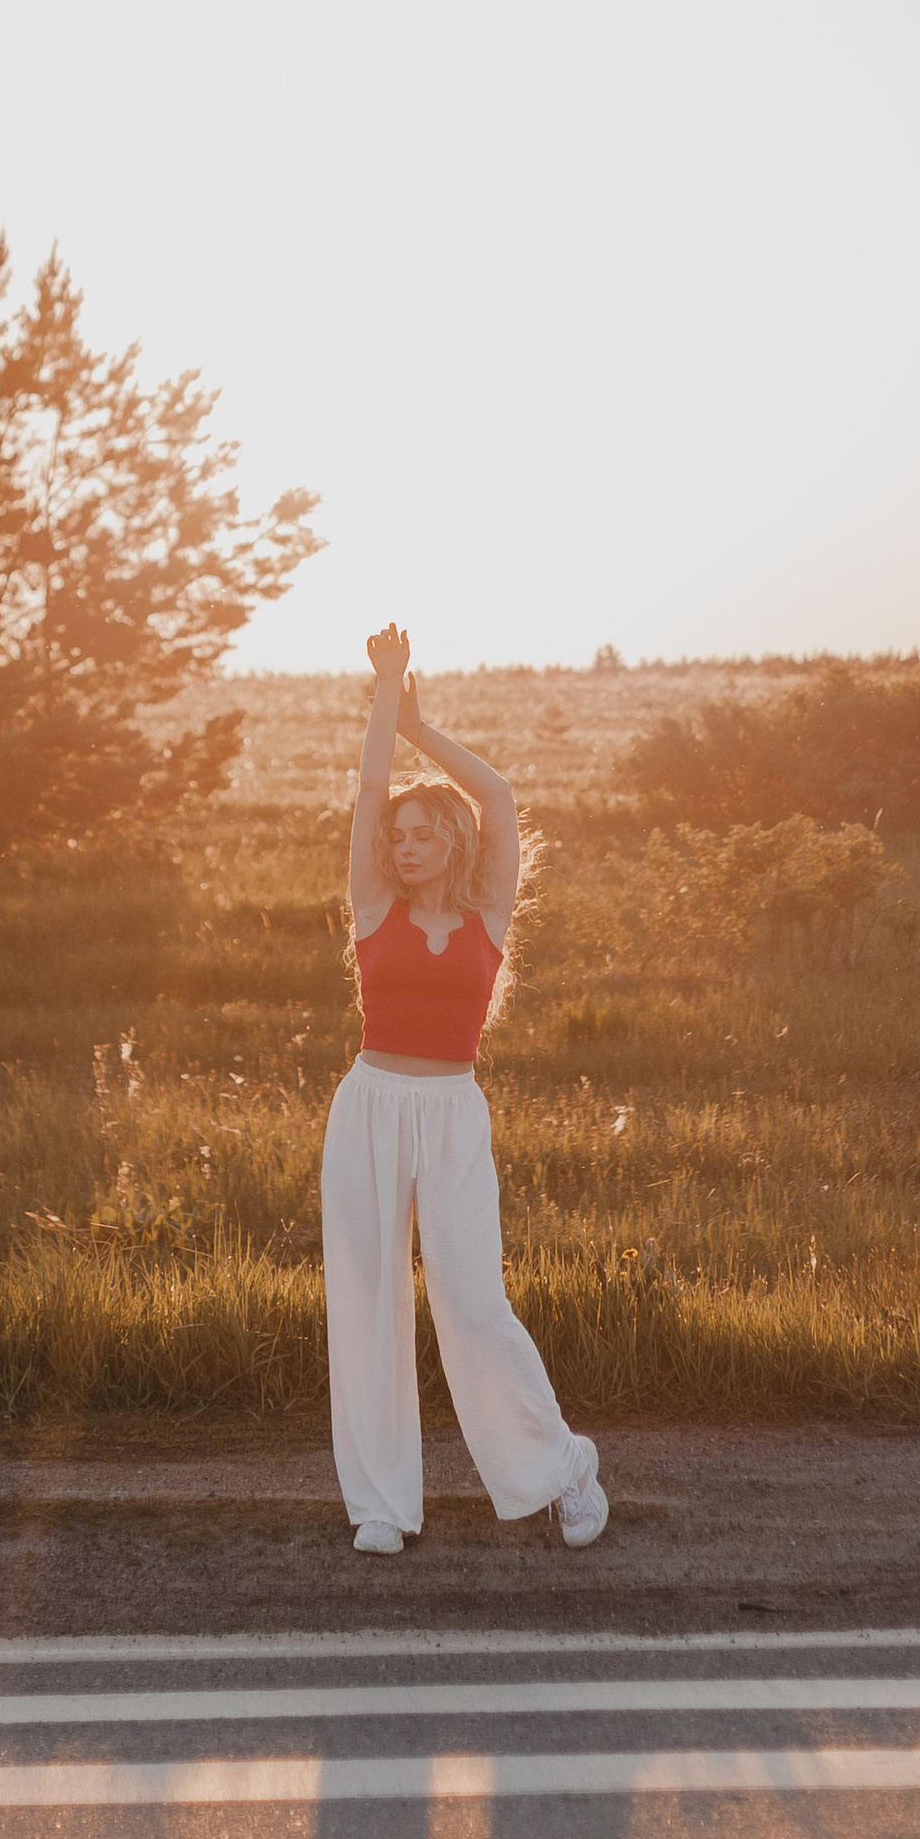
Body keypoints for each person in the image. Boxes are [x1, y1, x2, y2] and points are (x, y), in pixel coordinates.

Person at [321, 623, 608, 1557]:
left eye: (416, 832)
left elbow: (499, 792)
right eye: (394, 836)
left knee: (473, 1300)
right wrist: (383, 696)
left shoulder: (488, 915)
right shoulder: (373, 907)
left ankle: (561, 1466)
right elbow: (365, 795)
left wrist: (420, 726)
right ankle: (379, 1504)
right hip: (369, 1108)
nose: (401, 844)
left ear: (448, 838)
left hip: (451, 1117)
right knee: (366, 1299)